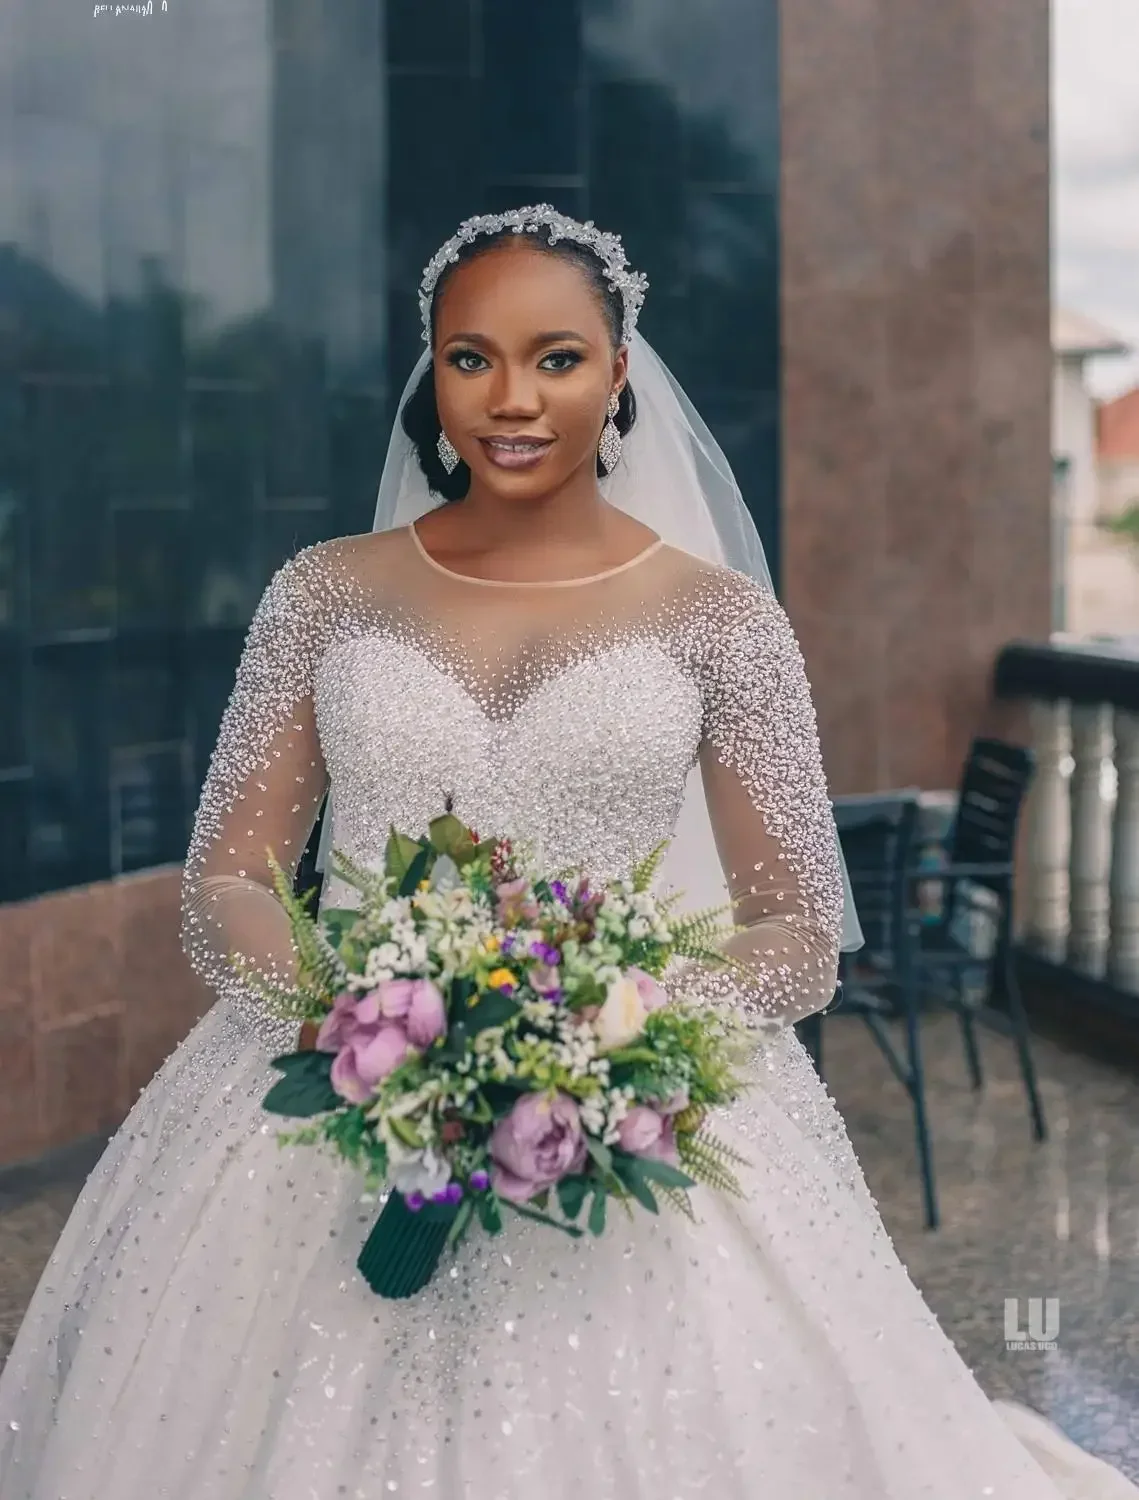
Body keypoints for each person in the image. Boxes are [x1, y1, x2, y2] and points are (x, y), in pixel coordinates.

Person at [0, 206, 1133, 1500]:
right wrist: (357, 1023)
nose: (511, 398)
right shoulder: (321, 592)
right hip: (334, 1086)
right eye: (469, 357)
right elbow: (228, 882)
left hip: (634, 1101)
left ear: (617, 369)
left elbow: (795, 926)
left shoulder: (723, 622)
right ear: (431, 375)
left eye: (555, 356)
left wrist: (609, 1030)